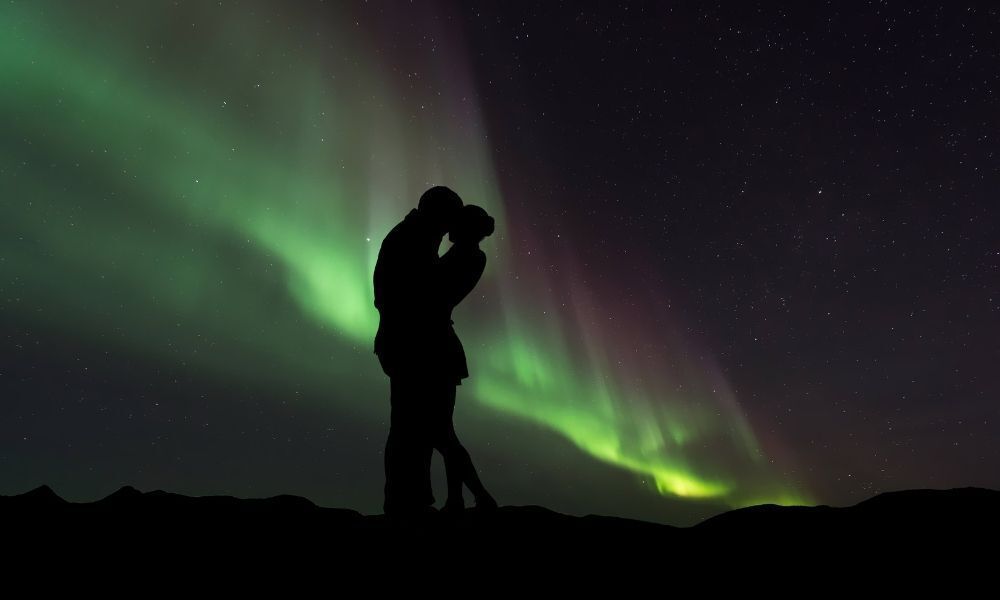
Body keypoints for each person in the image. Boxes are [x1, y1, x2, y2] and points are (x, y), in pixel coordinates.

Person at [373, 186, 463, 517]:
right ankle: (406, 502)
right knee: (411, 427)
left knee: (413, 427)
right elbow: (410, 295)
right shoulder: (412, 239)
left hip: (406, 342)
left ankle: (409, 500)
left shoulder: (415, 236)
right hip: (410, 344)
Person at [431, 204, 498, 514]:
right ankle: (460, 499)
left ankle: (479, 496)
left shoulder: (467, 256)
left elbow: (435, 290)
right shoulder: (471, 256)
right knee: (443, 430)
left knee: (440, 431)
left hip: (437, 345)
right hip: (442, 344)